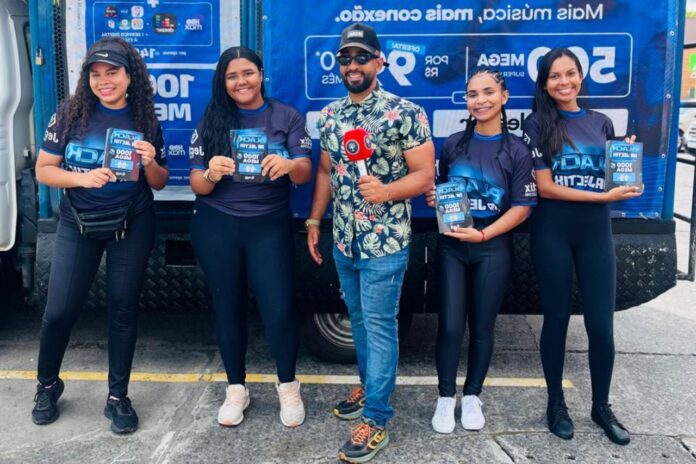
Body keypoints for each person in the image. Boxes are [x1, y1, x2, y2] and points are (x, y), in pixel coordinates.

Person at [306, 23, 435, 463]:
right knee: (359, 321)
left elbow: (425, 175)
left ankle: (377, 418)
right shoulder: (330, 116)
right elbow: (325, 171)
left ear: (380, 62)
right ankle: (368, 387)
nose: (353, 65)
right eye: (346, 58)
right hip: (345, 241)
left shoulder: (405, 112)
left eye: (362, 57)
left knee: (379, 326)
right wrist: (314, 219)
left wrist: (387, 191)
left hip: (386, 242)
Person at [32, 37, 169, 434]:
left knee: (123, 310)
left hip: (132, 223)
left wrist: (150, 161)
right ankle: (47, 385)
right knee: (59, 311)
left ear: (130, 76)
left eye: (112, 73)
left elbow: (159, 181)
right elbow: (44, 170)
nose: (104, 81)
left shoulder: (145, 118)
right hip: (78, 223)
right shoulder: (70, 113)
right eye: (95, 74)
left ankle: (117, 397)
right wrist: (82, 179)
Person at [522, 48, 642, 445]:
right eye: (555, 76)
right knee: (556, 319)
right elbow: (545, 187)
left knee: (601, 325)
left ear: (580, 76)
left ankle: (601, 406)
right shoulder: (537, 123)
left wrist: (626, 171)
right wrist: (603, 198)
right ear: (544, 84)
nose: (564, 82)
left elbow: (616, 183)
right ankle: (556, 404)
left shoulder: (601, 122)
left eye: (570, 73)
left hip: (595, 233)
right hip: (552, 231)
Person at [188, 46, 312, 428]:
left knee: (279, 309)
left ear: (261, 74)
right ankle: (236, 388)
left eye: (247, 73)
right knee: (228, 309)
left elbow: (305, 170)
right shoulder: (212, 118)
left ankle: (288, 386)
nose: (241, 82)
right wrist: (211, 173)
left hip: (268, 226)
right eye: (232, 76)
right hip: (217, 225)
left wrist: (288, 164)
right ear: (222, 82)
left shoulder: (285, 115)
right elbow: (197, 184)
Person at [425, 68, 537, 434]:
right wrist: (435, 199)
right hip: (452, 247)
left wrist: (485, 234)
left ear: (504, 96)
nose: (480, 100)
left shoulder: (518, 150)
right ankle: (445, 397)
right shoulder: (453, 144)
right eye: (473, 94)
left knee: (483, 327)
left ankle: (472, 395)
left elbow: (522, 208)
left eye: (488, 92)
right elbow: (444, 191)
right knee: (450, 325)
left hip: (492, 247)